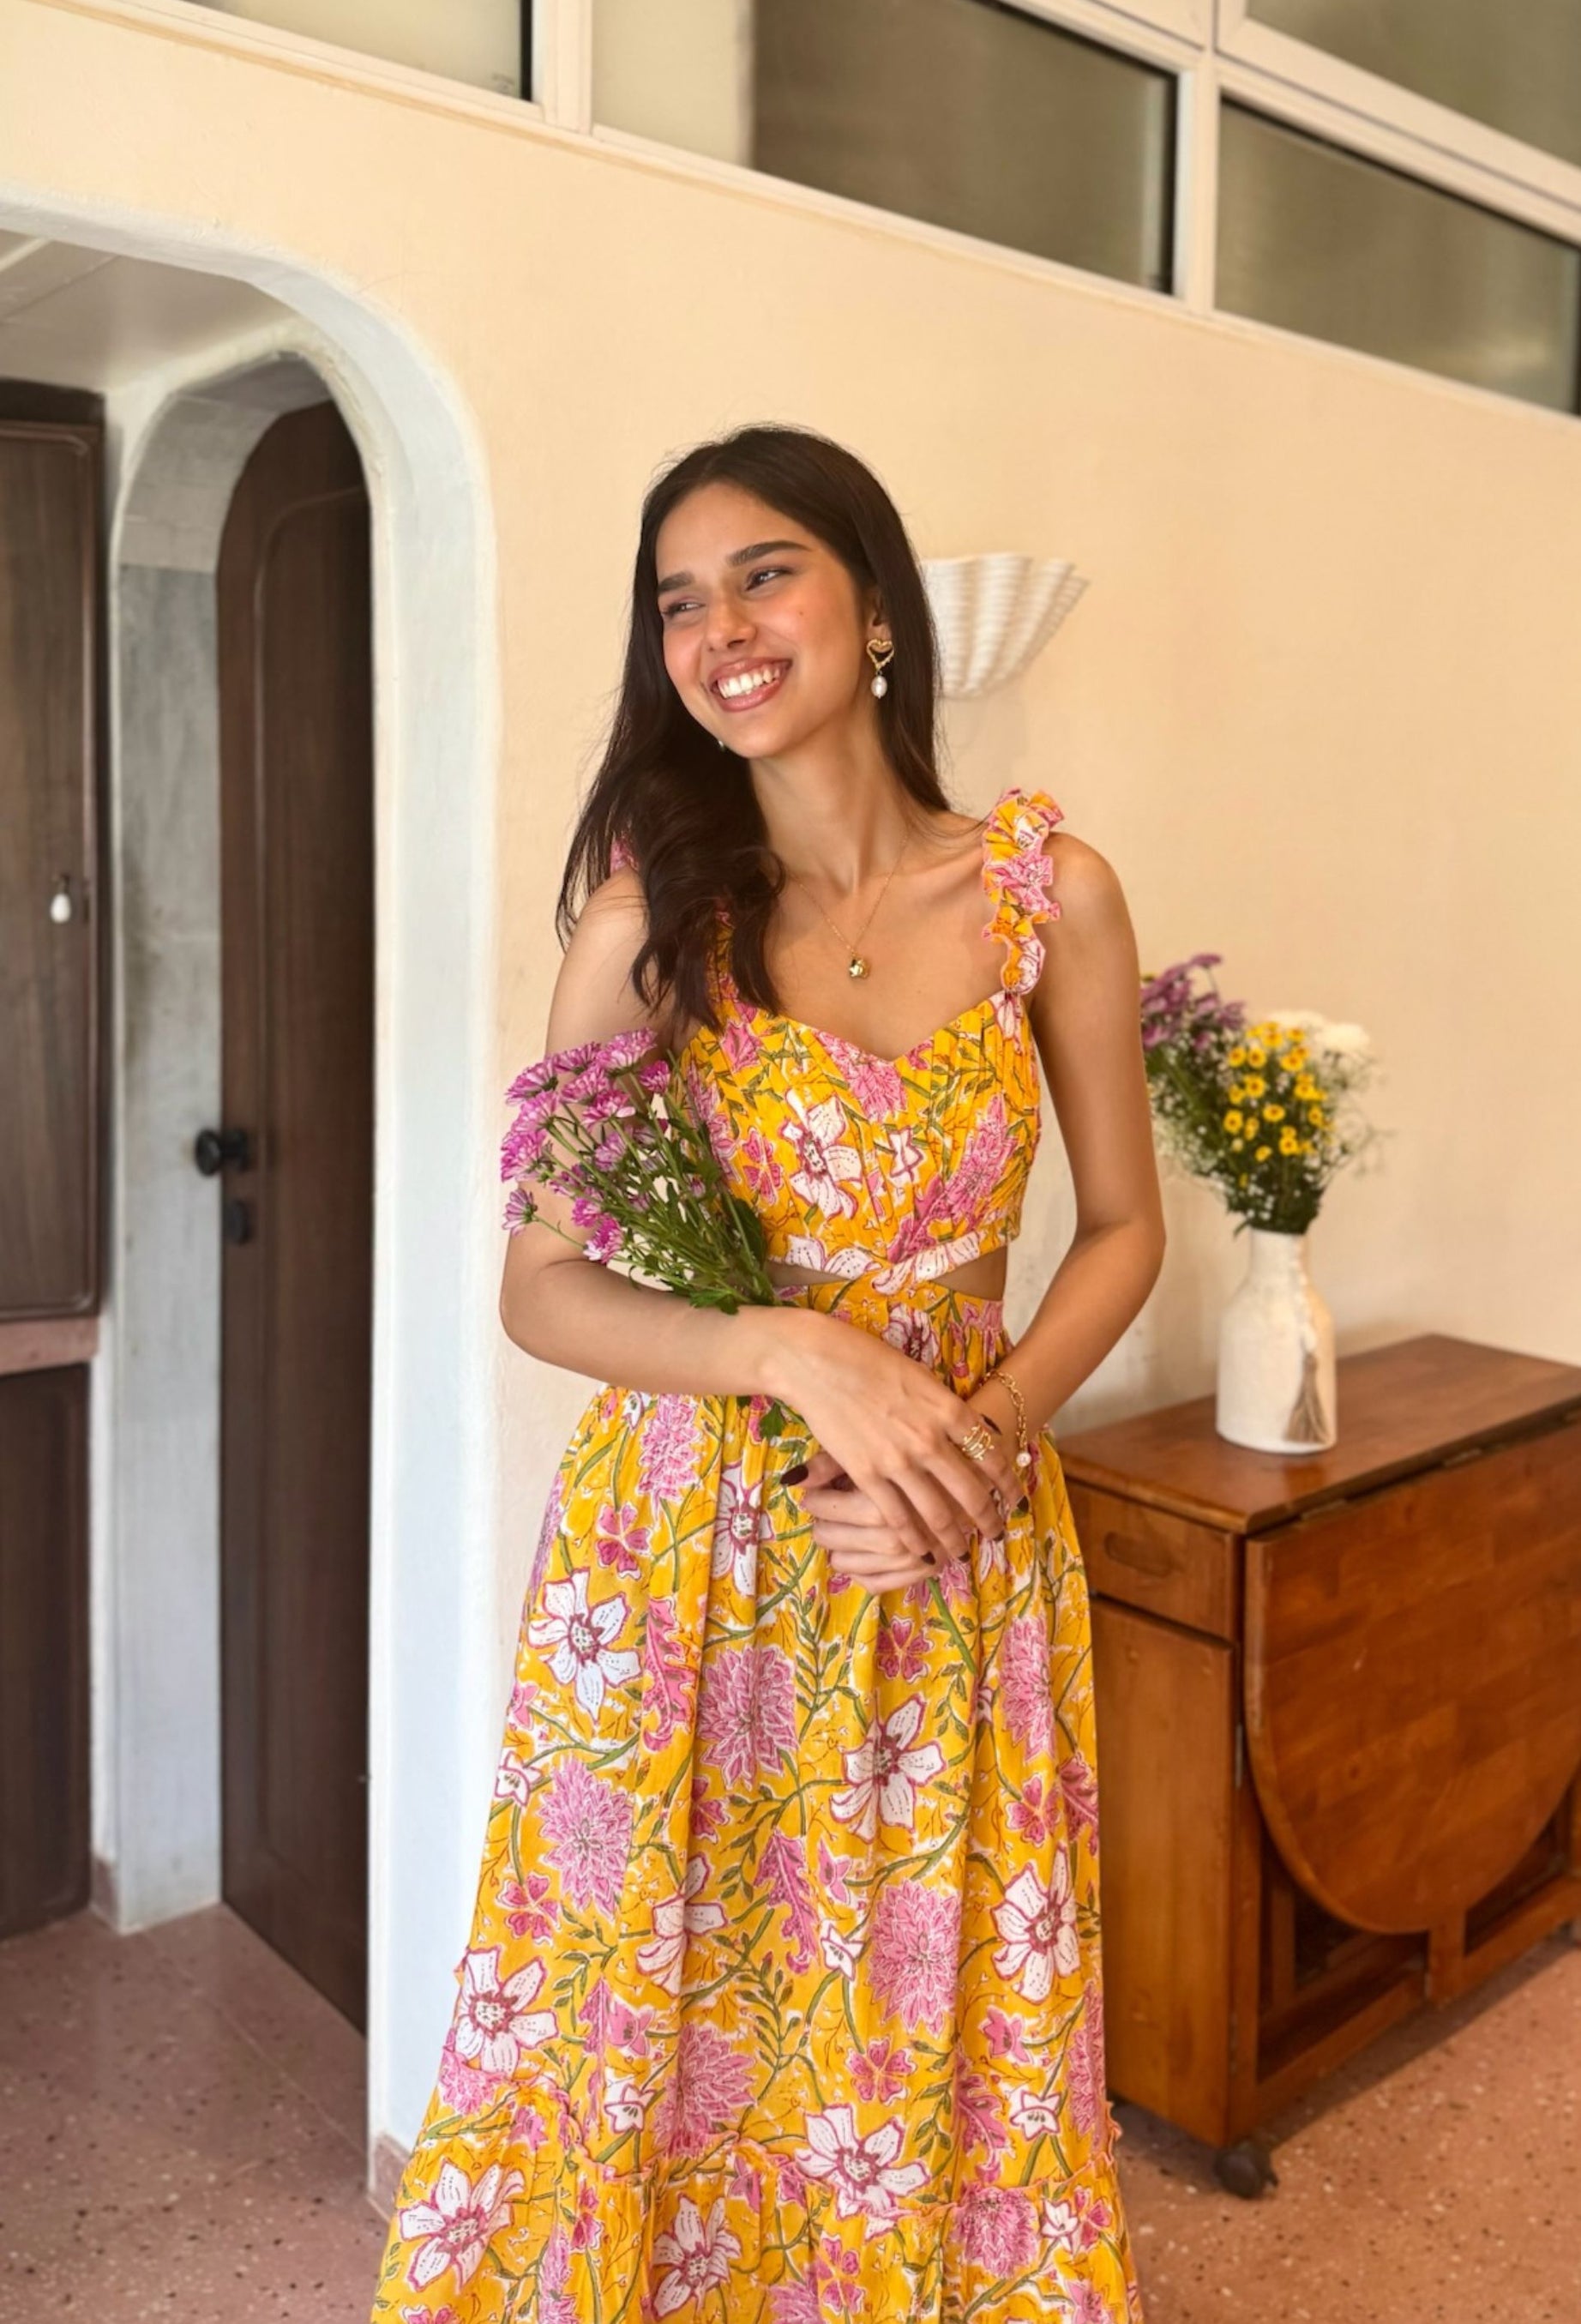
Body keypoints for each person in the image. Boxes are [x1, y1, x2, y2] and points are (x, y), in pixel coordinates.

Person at [370, 423, 1163, 2322]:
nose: (718, 628)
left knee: (910, 1998)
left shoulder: (1051, 890)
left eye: (763, 573)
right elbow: (544, 1289)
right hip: (686, 1557)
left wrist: (963, 1446)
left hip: (945, 1542)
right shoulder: (656, 920)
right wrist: (788, 1345)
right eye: (675, 601)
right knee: (663, 1991)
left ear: (873, 606)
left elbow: (1125, 1230)